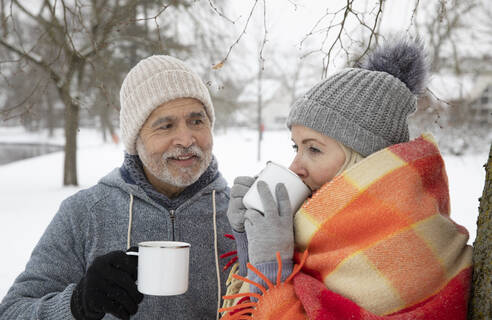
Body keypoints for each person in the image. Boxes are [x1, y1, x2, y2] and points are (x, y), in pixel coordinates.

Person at [222, 38, 473, 319]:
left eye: (313, 149)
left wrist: (270, 267)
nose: (295, 166)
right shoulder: (320, 234)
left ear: (363, 160)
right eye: (297, 146)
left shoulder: (403, 251)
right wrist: (249, 246)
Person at [0, 55, 235, 319]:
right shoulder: (84, 214)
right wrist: (78, 304)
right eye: (165, 126)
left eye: (196, 121)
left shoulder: (241, 216)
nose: (185, 138)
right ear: (136, 139)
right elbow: (12, 311)